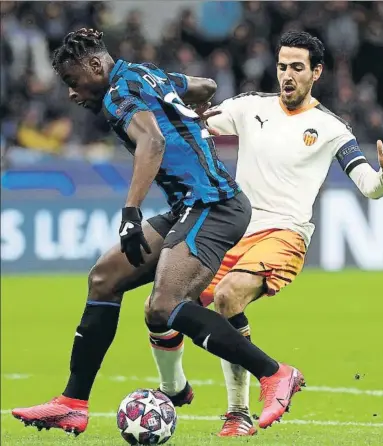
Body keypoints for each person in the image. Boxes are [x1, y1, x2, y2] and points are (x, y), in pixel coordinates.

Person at [11, 28, 305, 437]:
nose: (73, 93)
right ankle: (72, 403)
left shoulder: (118, 93)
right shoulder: (145, 73)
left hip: (214, 204)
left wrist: (130, 210)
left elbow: (152, 143)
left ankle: (275, 373)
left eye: (73, 81)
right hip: (189, 204)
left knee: (162, 307)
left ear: (96, 65)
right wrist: (184, 110)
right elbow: (206, 85)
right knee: (104, 278)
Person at [147, 31, 383, 437]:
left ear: (316, 73)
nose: (287, 75)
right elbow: (197, 126)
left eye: (297, 68)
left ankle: (239, 411)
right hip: (234, 228)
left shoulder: (331, 128)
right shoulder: (250, 106)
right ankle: (174, 389)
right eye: (283, 66)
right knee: (167, 305)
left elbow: (369, 187)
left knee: (227, 295)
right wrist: (169, 107)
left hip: (285, 232)